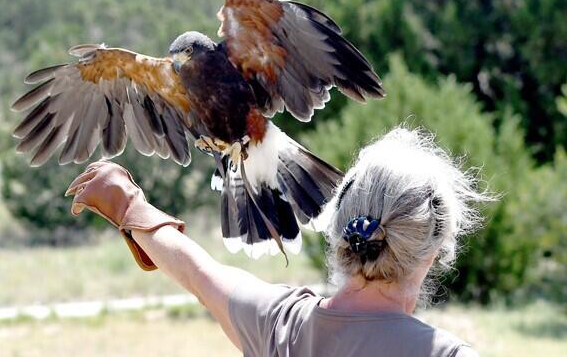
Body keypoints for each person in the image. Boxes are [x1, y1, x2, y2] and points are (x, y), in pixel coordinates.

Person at [66, 127, 490, 357]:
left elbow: (197, 272)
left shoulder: (278, 324)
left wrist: (129, 206)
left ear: (340, 226)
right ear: (433, 251)